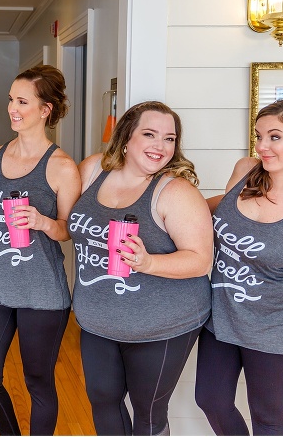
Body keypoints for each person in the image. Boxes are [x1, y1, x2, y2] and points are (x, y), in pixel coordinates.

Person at [68, 100, 213, 435]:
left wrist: (147, 262)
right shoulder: (92, 170)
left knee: (148, 411)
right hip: (96, 319)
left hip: (161, 322)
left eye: (169, 138)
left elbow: (199, 259)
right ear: (126, 138)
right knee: (102, 399)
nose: (159, 146)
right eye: (149, 134)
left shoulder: (175, 191)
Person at [195, 99, 283, 436]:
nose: (262, 146)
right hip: (221, 313)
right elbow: (213, 210)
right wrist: (165, 205)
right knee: (210, 399)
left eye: (274, 137)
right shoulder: (245, 170)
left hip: (277, 325)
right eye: (259, 135)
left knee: (266, 414)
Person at [0, 65, 81, 436]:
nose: (13, 109)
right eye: (10, 100)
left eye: (22, 101)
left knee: (39, 382)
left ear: (45, 109)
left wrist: (42, 222)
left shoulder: (63, 167)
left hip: (43, 293)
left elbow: (68, 230)